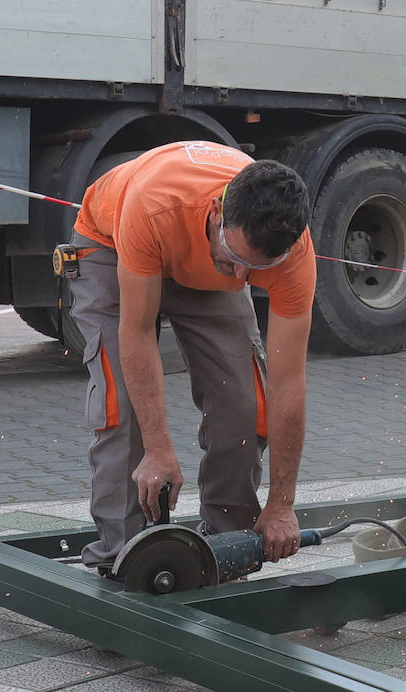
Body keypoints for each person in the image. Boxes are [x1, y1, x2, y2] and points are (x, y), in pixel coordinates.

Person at [67, 140, 315, 571]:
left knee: (243, 401)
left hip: (195, 252)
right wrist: (159, 447)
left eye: (255, 269)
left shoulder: (292, 254)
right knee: (124, 408)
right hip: (112, 244)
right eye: (237, 258)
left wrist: (281, 504)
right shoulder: (154, 203)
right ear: (218, 213)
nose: (241, 277)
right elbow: (138, 331)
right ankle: (126, 559)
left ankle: (231, 546)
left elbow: (288, 384)